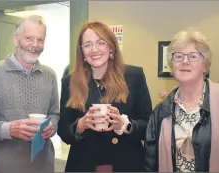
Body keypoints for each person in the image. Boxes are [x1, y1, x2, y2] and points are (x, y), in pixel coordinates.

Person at [57, 21, 152, 172]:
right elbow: (63, 130)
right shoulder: (70, 81)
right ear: (82, 52)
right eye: (87, 45)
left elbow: (150, 126)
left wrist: (125, 125)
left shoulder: (134, 76)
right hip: (84, 165)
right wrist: (80, 125)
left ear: (111, 47)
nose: (94, 49)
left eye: (101, 43)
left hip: (126, 164)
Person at [144, 30, 219, 172]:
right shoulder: (161, 111)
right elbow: (151, 163)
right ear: (172, 66)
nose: (185, 61)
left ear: (205, 66)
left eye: (193, 56)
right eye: (178, 56)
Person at [0, 15, 60, 173]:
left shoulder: (50, 75)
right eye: (28, 38)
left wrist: (52, 126)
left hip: (43, 165)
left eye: (40, 39)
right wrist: (8, 129)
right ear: (15, 39)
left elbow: (54, 114)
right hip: (2, 167)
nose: (35, 45)